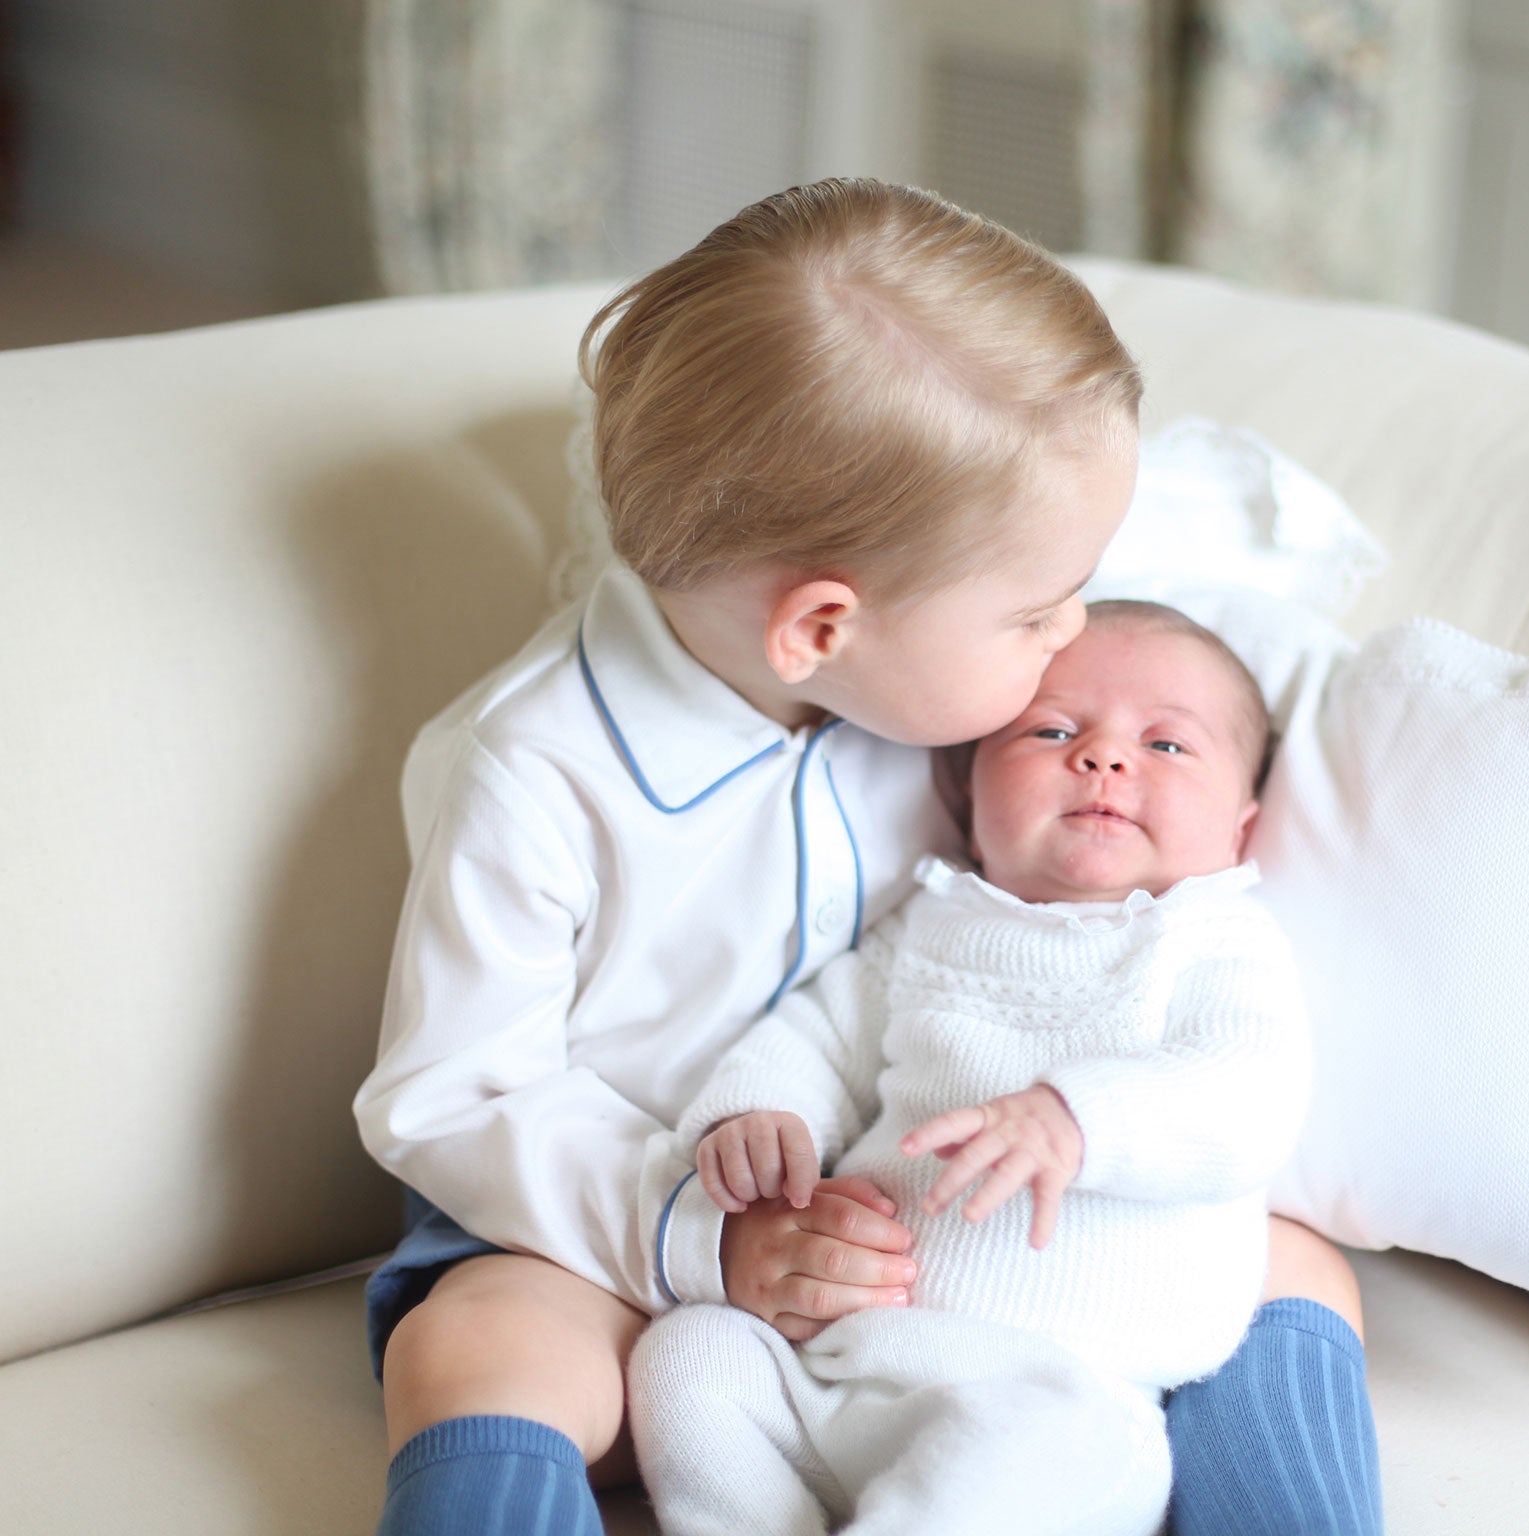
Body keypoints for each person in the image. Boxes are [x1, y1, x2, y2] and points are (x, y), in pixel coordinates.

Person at [354, 179, 1378, 1536]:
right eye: (1036, 610)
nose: (1069, 629)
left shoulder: (941, 681)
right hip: (622, 1233)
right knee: (474, 1342)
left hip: (954, 1231)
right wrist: (705, 1236)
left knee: (1294, 1260)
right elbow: (447, 1098)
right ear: (823, 628)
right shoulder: (534, 772)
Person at [630, 601, 1314, 1536]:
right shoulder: (935, 923)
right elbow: (821, 1034)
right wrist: (757, 1114)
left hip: (1064, 1392)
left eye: (1168, 746)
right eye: (1054, 730)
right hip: (841, 1367)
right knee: (691, 1355)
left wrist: (1079, 1120)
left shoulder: (1214, 941)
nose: (1105, 758)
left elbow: (1252, 1096)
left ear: (1240, 828)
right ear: (968, 789)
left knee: (1038, 1451)